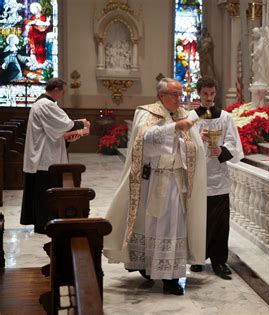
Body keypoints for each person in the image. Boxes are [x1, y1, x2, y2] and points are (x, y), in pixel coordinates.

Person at [103, 78, 207, 296]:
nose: (180, 99)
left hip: (176, 182)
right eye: (175, 95)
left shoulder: (183, 114)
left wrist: (196, 139)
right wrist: (174, 128)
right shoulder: (147, 112)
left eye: (181, 94)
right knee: (150, 226)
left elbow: (190, 145)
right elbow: (144, 140)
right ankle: (147, 268)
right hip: (154, 182)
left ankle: (170, 277)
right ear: (162, 96)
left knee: (172, 228)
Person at [188, 76, 244, 280]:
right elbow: (182, 144)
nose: (209, 98)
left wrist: (221, 150)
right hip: (197, 178)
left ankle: (219, 261)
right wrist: (197, 139)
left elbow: (234, 144)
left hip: (218, 179)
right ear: (199, 94)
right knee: (198, 220)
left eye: (212, 94)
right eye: (205, 94)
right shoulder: (191, 117)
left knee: (220, 222)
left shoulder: (225, 118)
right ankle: (197, 258)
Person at [20, 78, 90, 233]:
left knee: (44, 192)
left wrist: (69, 135)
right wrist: (82, 124)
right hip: (44, 157)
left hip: (45, 154)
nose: (63, 95)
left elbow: (55, 130)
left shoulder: (44, 103)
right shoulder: (46, 104)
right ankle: (45, 224)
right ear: (56, 89)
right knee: (46, 192)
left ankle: (44, 222)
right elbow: (64, 124)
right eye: (63, 92)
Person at [24, 2, 51, 69]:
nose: (34, 11)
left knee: (41, 49)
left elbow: (46, 26)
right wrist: (32, 23)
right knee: (33, 50)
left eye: (35, 9)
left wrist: (39, 24)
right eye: (33, 10)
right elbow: (27, 24)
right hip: (33, 37)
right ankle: (35, 62)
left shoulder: (43, 17)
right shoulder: (32, 18)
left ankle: (41, 62)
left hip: (41, 36)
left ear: (38, 8)